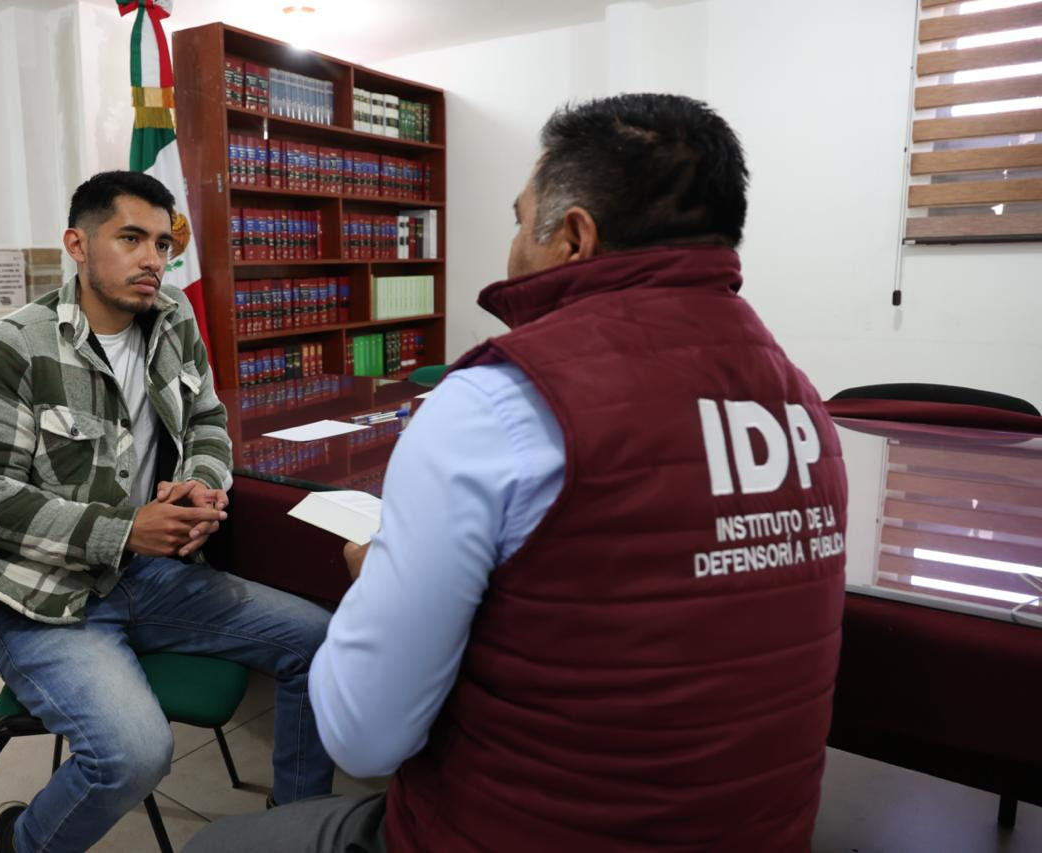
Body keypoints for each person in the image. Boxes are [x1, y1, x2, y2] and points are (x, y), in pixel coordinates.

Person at [186, 94, 849, 852]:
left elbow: (362, 738)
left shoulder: (498, 401)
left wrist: (376, 583)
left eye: (518, 220)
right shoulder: (803, 404)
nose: (509, 245)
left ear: (573, 237)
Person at [0, 170, 334, 852]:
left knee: (322, 642)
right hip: (44, 595)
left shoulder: (172, 317)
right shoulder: (14, 346)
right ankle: (22, 841)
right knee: (133, 755)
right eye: (130, 238)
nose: (153, 259)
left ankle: (295, 827)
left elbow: (207, 418)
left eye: (162, 243)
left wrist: (202, 483)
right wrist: (126, 529)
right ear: (77, 244)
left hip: (144, 574)